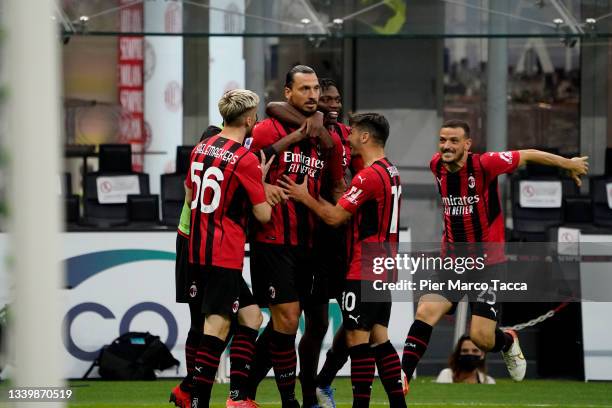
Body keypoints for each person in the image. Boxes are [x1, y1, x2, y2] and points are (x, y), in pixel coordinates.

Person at [401, 119, 589, 387]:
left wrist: (567, 163)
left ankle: (508, 339)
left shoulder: (484, 164)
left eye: (454, 141)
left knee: (481, 338)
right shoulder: (436, 165)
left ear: (468, 144)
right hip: (452, 262)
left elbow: (528, 154)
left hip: (487, 265)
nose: (446, 146)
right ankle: (403, 376)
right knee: (425, 311)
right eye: (442, 140)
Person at [280, 113, 406, 408]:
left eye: (352, 134)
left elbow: (335, 217)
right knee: (380, 339)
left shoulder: (368, 176)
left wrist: (304, 196)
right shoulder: (392, 171)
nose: (347, 139)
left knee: (356, 341)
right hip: (385, 268)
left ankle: (359, 404)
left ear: (365, 137)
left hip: (363, 267)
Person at [245, 65, 343, 408]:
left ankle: (244, 389)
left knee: (296, 325)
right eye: (305, 89)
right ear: (288, 92)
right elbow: (244, 174)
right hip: (272, 240)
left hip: (313, 244)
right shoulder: (263, 130)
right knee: (286, 318)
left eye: (315, 88)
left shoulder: (325, 137)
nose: (313, 95)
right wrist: (266, 185)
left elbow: (335, 185)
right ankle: (290, 401)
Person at [181, 89, 279, 408]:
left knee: (251, 317)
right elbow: (263, 214)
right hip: (224, 253)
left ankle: (238, 397)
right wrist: (262, 189)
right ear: (249, 119)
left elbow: (190, 193)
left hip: (196, 248)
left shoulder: (199, 149)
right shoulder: (244, 158)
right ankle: (198, 402)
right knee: (217, 326)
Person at [170, 125, 223, 408]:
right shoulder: (198, 167)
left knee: (226, 322)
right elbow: (191, 197)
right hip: (191, 242)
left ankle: (190, 386)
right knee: (200, 322)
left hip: (213, 246)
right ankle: (192, 388)